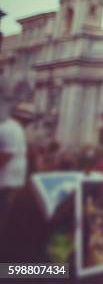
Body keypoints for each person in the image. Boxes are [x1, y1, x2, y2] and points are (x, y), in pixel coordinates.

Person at [0, 105, 28, 247]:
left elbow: (6, 154)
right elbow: (6, 154)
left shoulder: (11, 128)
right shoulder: (14, 129)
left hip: (7, 181)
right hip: (8, 181)